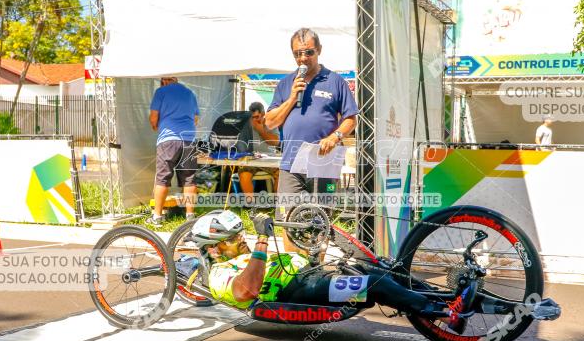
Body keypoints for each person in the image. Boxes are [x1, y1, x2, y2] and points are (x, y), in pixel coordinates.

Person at [183, 211, 432, 316]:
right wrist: (261, 240)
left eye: (240, 235)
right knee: (376, 284)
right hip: (302, 289)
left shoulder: (241, 257)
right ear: (214, 249)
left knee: (385, 270)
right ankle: (442, 314)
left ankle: (438, 296)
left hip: (313, 273)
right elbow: (247, 290)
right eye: (234, 239)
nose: (241, 241)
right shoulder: (220, 273)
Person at [265, 28, 358, 251]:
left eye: (308, 52)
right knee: (289, 220)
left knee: (320, 222)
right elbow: (269, 122)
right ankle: (295, 274)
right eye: (297, 53)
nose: (303, 58)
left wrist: (335, 137)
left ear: (319, 51)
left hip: (323, 164)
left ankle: (317, 277)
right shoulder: (286, 83)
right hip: (290, 166)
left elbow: (351, 119)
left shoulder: (335, 81)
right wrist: (291, 98)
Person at [149, 77, 199, 225]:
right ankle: (190, 216)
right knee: (189, 179)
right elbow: (195, 118)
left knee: (163, 178)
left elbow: (153, 118)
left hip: (168, 140)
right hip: (189, 139)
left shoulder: (161, 92)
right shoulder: (190, 93)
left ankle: (157, 217)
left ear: (164, 80)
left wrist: (158, 127)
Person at [238, 102, 279, 203]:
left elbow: (275, 142)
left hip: (270, 159)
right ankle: (251, 206)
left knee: (281, 175)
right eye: (252, 117)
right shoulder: (247, 124)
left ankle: (277, 205)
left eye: (257, 117)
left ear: (263, 113)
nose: (255, 120)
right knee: (244, 175)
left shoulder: (271, 123)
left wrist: (261, 131)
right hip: (252, 158)